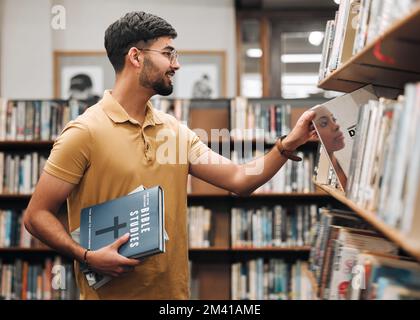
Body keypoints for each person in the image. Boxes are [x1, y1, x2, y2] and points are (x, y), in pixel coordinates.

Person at [23, 11, 317, 300]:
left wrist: (288, 144)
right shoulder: (85, 132)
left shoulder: (175, 132)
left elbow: (240, 180)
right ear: (136, 57)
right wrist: (86, 255)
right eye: (168, 53)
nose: (176, 64)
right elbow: (36, 216)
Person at [312, 105, 347, 189]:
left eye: (333, 120)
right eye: (324, 123)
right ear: (314, 134)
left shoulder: (350, 164)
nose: (336, 126)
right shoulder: (320, 174)